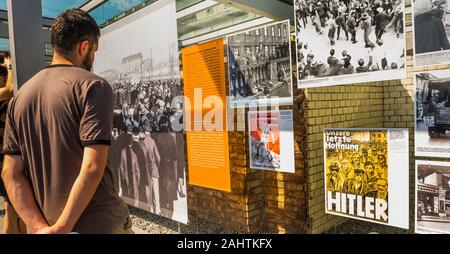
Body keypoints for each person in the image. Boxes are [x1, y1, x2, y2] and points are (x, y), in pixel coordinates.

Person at [1, 9, 130, 234]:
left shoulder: (20, 97)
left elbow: (10, 173)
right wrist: (61, 228)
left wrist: (39, 227)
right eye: (94, 50)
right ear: (84, 46)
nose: (93, 57)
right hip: (100, 223)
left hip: (44, 225)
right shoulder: (93, 86)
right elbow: (91, 166)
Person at [0, 52, 26, 234]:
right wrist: (10, 65)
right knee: (12, 206)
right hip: (3, 161)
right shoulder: (3, 93)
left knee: (17, 207)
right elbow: (11, 88)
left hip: (9, 158)